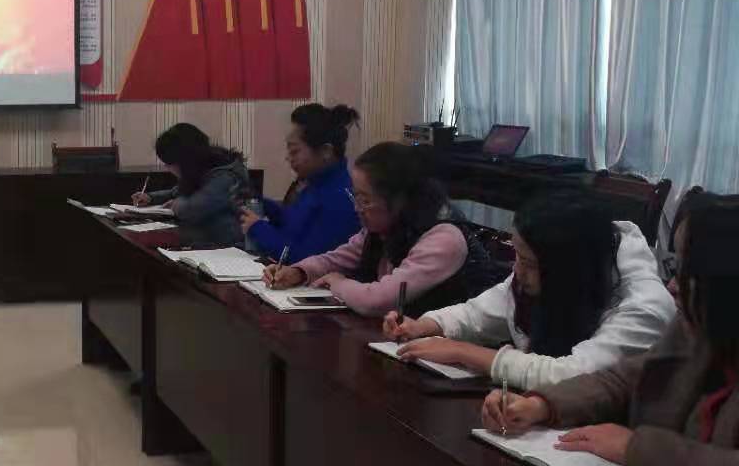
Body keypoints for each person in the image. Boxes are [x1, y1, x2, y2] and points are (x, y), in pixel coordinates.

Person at [481, 193, 739, 466]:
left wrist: (636, 449)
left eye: (688, 272)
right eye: (675, 267)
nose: (673, 285)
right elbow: (621, 380)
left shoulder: (687, 316)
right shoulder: (695, 329)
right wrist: (541, 404)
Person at [384, 193, 674, 387]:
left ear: (568, 269)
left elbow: (576, 376)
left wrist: (463, 352)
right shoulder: (559, 272)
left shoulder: (643, 307)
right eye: (518, 256)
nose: (517, 271)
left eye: (527, 262)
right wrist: (424, 325)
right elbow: (480, 313)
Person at [264, 142, 499, 317]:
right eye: (355, 197)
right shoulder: (381, 228)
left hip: (449, 354)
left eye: (365, 200)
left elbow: (378, 301)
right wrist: (298, 271)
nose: (357, 209)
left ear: (399, 199)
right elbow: (337, 258)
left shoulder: (443, 239)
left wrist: (338, 283)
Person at [241, 103, 361, 262]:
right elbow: (294, 225)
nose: (288, 158)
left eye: (294, 151)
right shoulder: (316, 184)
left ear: (326, 151)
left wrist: (258, 228)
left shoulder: (340, 198)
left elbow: (306, 259)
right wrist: (264, 205)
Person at [131, 123, 248, 248]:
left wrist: (176, 204)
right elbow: (176, 192)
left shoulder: (226, 176)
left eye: (169, 164)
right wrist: (150, 197)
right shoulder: (204, 166)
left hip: (226, 245)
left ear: (184, 160)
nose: (168, 168)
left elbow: (192, 209)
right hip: (203, 238)